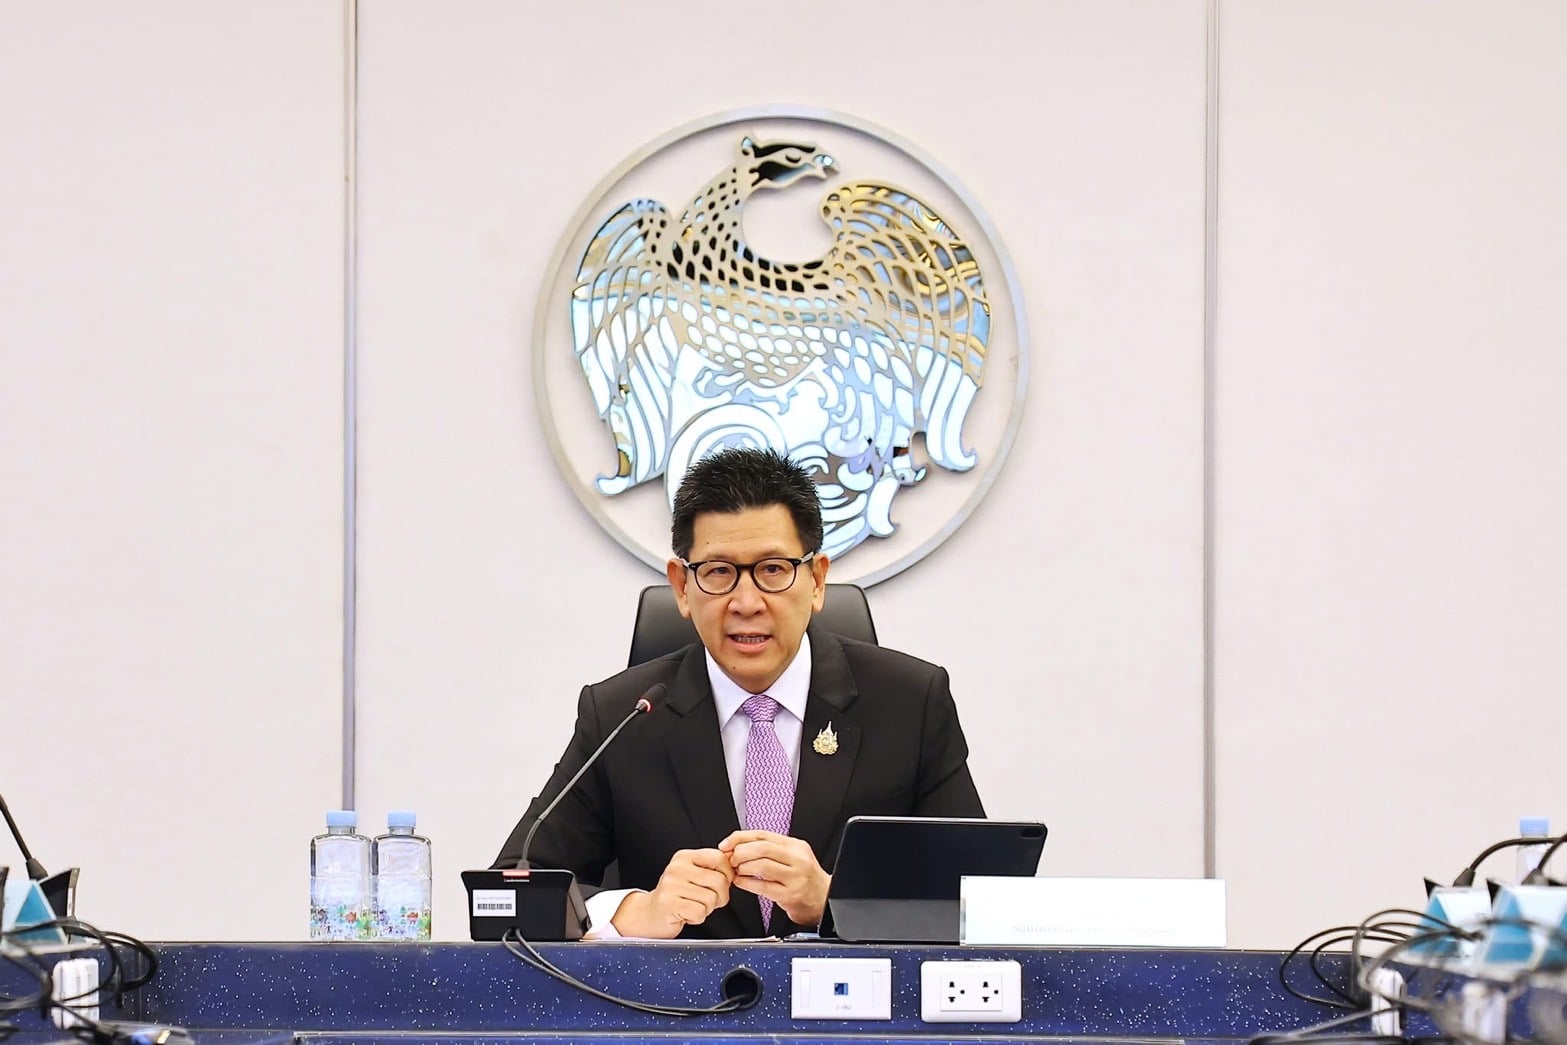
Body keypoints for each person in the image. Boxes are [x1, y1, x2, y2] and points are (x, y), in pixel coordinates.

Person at [494, 447, 984, 939]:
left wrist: (834, 900)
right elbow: (510, 895)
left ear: (817, 581)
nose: (747, 603)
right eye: (718, 572)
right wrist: (634, 912)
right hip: (678, 991)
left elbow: (980, 901)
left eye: (773, 569)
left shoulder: (910, 703)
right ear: (682, 587)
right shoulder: (623, 717)